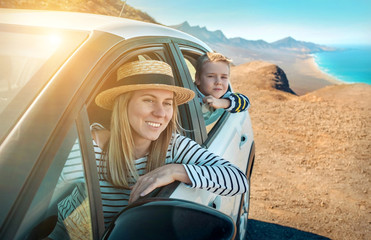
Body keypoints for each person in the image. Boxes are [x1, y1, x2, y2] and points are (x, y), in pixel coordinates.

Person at [51, 60, 248, 238]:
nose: (160, 113)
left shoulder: (174, 146)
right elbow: (40, 206)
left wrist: (173, 170)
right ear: (123, 104)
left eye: (167, 103)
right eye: (149, 100)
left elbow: (238, 180)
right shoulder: (87, 149)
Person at [195, 52, 250, 125]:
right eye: (211, 76)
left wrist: (222, 102)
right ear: (198, 79)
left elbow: (246, 102)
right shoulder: (189, 95)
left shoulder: (223, 96)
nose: (218, 82)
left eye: (223, 77)